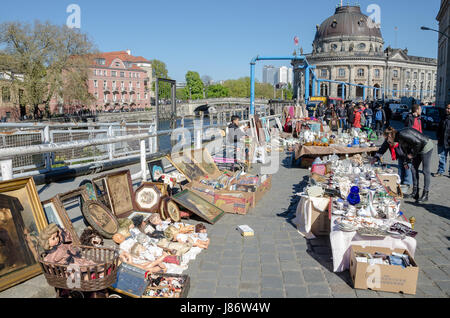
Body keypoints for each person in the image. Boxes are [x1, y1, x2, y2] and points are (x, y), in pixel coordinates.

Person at [383, 127, 434, 202]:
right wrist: (405, 161)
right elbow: (406, 150)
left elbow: (418, 143)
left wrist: (412, 154)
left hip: (426, 146)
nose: (387, 141)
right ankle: (415, 192)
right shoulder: (398, 138)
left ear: (390, 135)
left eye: (387, 139)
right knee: (413, 168)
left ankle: (425, 194)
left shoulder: (401, 134)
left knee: (425, 171)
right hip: (418, 148)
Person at [435, 104, 450, 177]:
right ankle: (440, 171)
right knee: (442, 157)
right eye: (447, 108)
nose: (447, 110)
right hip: (442, 141)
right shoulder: (443, 118)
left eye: (449, 108)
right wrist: (438, 137)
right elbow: (439, 129)